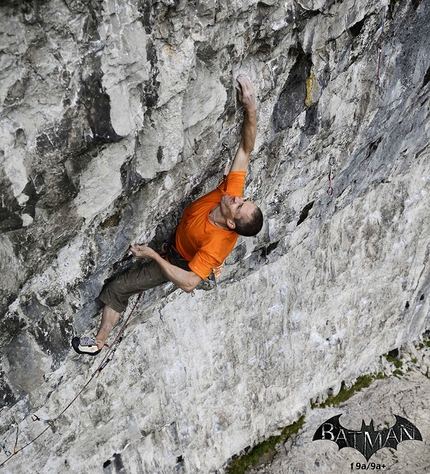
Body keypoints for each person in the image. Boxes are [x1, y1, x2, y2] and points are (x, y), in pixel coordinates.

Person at [72, 74, 263, 356]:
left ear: (232, 222)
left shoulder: (214, 245)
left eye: (238, 205)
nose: (236, 197)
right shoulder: (230, 194)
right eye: (243, 199)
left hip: (180, 261)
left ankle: (98, 342)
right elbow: (246, 149)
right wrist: (251, 108)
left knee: (119, 287)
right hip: (180, 237)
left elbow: (188, 283)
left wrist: (154, 257)